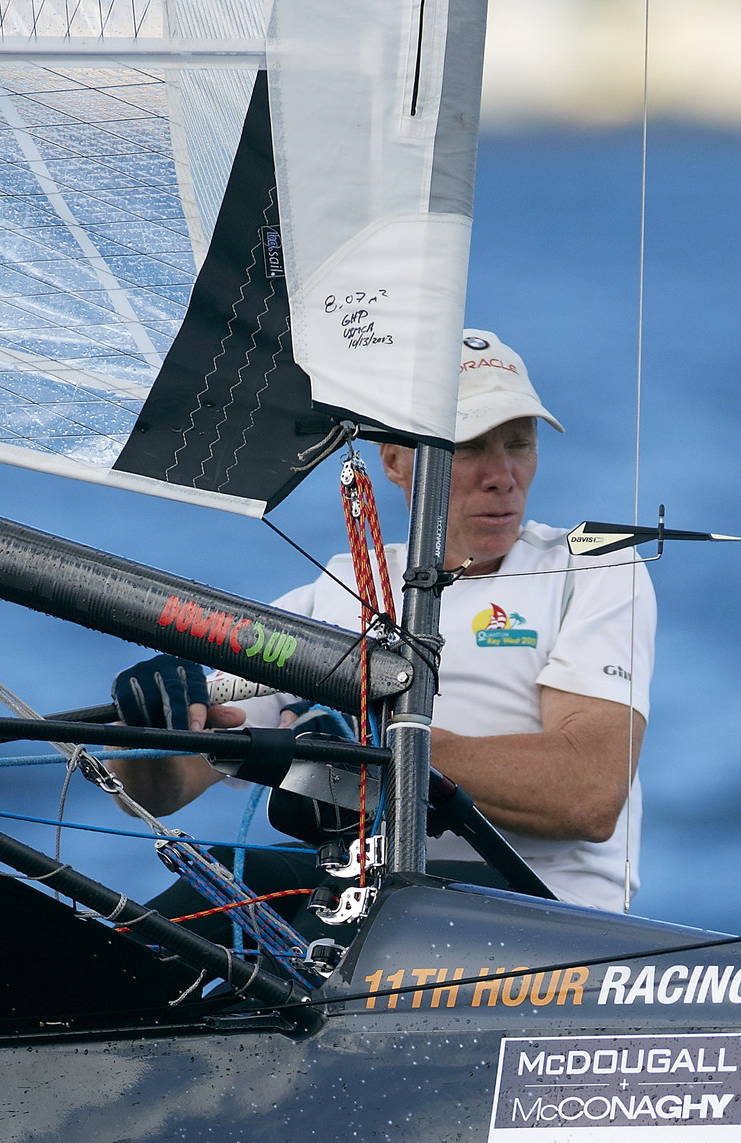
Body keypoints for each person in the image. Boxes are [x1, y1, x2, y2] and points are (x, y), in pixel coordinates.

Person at [109, 331, 657, 912]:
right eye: (469, 447)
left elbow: (589, 793)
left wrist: (367, 749)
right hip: (369, 897)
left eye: (519, 444)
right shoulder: (338, 588)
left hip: (539, 911)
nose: (502, 475)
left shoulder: (591, 569)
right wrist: (151, 727)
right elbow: (166, 790)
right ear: (394, 460)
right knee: (203, 895)